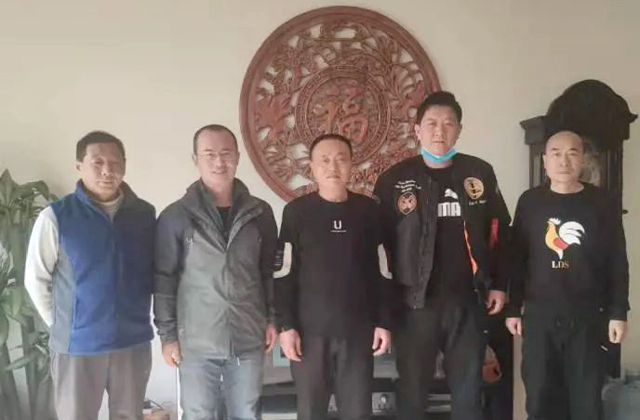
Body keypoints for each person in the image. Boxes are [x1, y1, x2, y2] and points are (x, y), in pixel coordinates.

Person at [373, 91, 511, 420]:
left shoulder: (479, 173)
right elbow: (379, 248)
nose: (440, 131)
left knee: (468, 393)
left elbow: (500, 232)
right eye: (432, 123)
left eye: (448, 124)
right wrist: (383, 307)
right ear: (417, 130)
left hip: (468, 302)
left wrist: (499, 284)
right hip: (414, 306)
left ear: (459, 130)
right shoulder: (394, 180)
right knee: (412, 394)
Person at [25, 131, 155, 420]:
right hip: (77, 347)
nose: (107, 170)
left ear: (124, 165)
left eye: (115, 162)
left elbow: (156, 271)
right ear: (79, 166)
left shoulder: (144, 215)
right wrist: (61, 324)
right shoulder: (56, 216)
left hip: (132, 342)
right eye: (97, 162)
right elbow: (35, 279)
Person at [153, 124, 278, 420]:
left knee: (247, 413)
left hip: (248, 334)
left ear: (238, 157)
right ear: (195, 159)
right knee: (198, 414)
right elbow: (164, 278)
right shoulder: (176, 216)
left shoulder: (260, 213)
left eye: (226, 153)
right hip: (196, 340)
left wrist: (272, 318)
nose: (219, 161)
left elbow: (268, 272)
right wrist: (168, 336)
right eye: (209, 154)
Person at [505, 130, 630, 420]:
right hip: (539, 318)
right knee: (540, 399)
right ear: (545, 160)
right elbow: (517, 259)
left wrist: (618, 311)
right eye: (556, 153)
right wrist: (513, 307)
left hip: (588, 317)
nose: (564, 161)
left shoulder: (603, 202)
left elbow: (616, 260)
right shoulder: (530, 202)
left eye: (573, 153)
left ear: (583, 159)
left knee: (587, 403)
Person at [274, 133, 392, 420]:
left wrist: (384, 322)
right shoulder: (297, 212)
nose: (333, 167)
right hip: (309, 335)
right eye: (324, 160)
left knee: (357, 413)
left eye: (341, 159)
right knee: (311, 412)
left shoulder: (369, 211)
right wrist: (286, 325)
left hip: (358, 333)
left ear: (352, 165)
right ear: (312, 167)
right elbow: (284, 273)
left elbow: (382, 271)